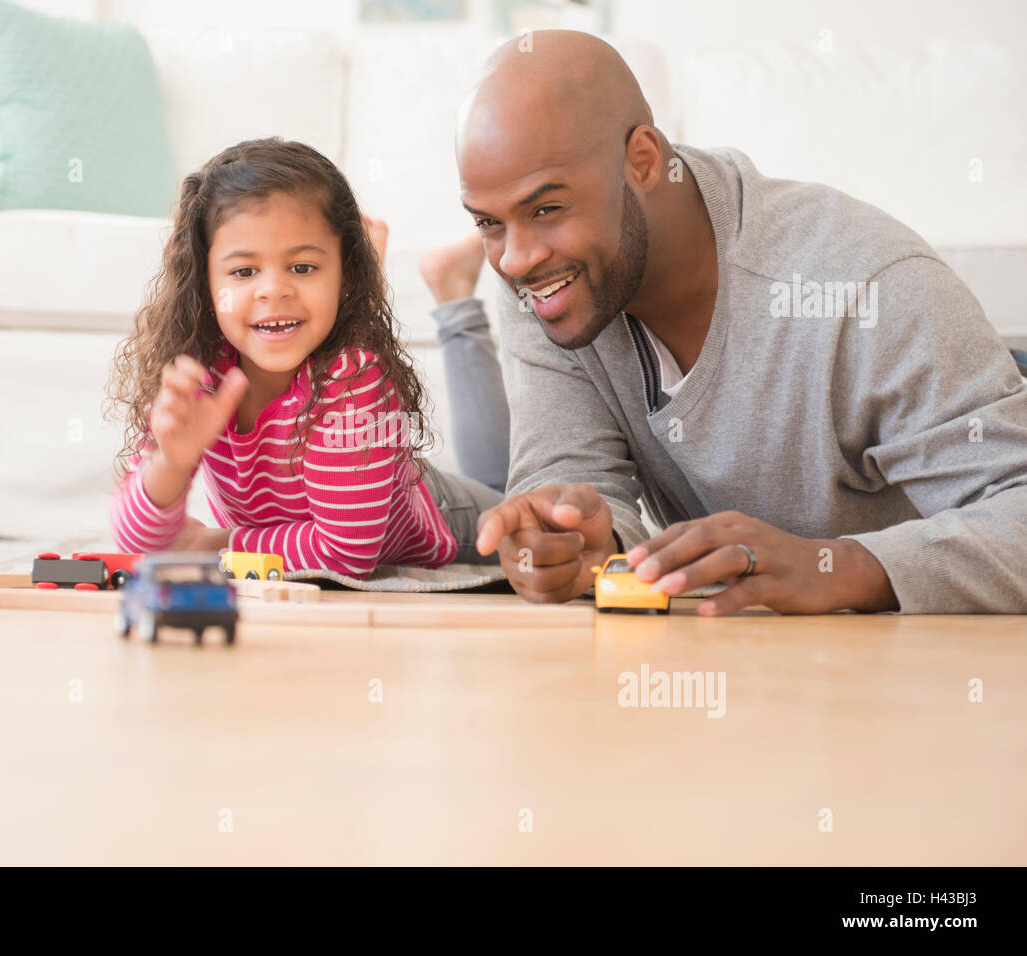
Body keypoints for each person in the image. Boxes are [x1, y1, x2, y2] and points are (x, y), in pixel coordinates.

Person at [449, 30, 1027, 614]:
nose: (515, 259)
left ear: (643, 162)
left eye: (546, 208)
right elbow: (570, 479)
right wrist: (578, 542)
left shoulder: (865, 286)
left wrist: (838, 565)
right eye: (488, 224)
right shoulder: (547, 280)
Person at [105, 138, 503, 577]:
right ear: (203, 281)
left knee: (508, 498)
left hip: (440, 514)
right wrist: (170, 465)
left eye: (301, 267)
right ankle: (415, 291)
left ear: (345, 271)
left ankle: (454, 299)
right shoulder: (197, 367)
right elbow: (139, 542)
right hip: (354, 468)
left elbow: (345, 554)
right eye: (243, 272)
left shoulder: (353, 375)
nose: (272, 289)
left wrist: (215, 544)